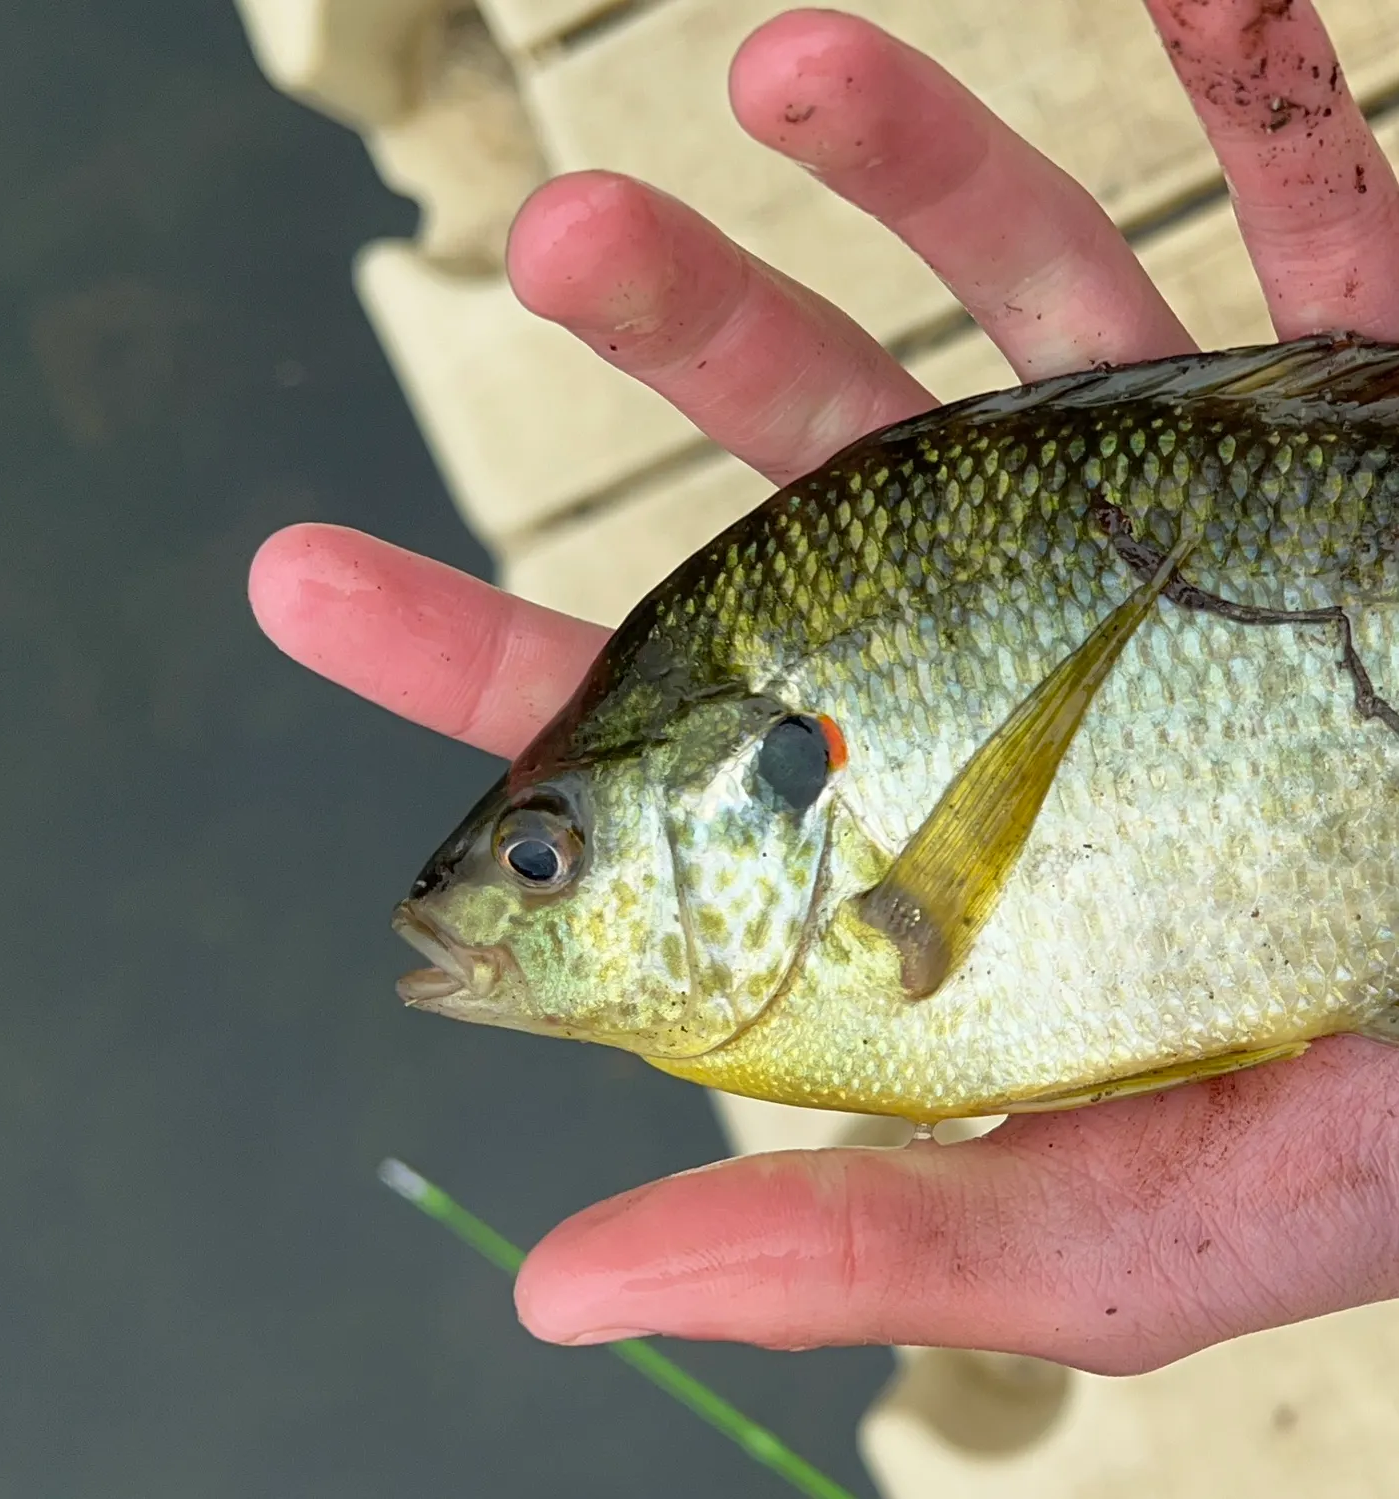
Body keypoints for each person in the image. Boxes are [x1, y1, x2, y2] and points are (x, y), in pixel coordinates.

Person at [249, 1, 1399, 1375]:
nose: (504, 906)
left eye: (546, 855)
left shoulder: (857, 955)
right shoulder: (795, 987)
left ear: (761, 776)